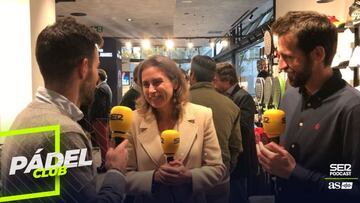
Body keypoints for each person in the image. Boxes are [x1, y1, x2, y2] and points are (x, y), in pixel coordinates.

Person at [1, 17, 128, 203]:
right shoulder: (63, 134)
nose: (96, 79)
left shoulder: (27, 115)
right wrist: (116, 172)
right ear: (84, 68)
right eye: (96, 67)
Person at [256, 11, 360, 203]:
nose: (281, 66)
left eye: (288, 57)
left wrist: (294, 172)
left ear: (318, 54)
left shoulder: (352, 109)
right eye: (279, 56)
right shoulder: (290, 96)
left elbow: (351, 184)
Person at [126, 55, 225, 203]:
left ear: (175, 83)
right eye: (145, 84)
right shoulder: (132, 120)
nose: (151, 90)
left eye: (157, 82)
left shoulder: (202, 115)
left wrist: (189, 176)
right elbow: (123, 175)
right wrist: (153, 177)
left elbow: (217, 168)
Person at [189, 55, 242, 203]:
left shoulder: (177, 102)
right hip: (219, 175)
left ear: (192, 75)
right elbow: (235, 145)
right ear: (213, 76)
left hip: (187, 176)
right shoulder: (231, 105)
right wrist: (226, 168)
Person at [213, 62, 258, 203]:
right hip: (232, 159)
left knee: (238, 196)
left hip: (241, 160)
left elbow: (244, 129)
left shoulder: (243, 97)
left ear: (227, 80)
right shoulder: (225, 97)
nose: (213, 85)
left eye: (215, 80)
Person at [89, 68, 113, 173]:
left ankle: (105, 165)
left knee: (103, 144)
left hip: (100, 120)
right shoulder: (105, 87)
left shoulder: (101, 89)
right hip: (102, 119)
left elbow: (99, 106)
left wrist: (93, 117)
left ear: (98, 76)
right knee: (104, 144)